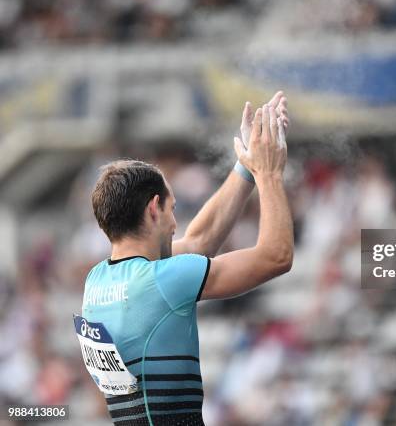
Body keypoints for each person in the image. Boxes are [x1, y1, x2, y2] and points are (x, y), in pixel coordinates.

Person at [75, 93, 293, 426]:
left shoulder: (98, 281)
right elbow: (276, 256)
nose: (176, 226)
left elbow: (201, 241)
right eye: (172, 210)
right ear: (153, 209)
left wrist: (246, 167)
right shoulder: (162, 281)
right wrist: (269, 173)